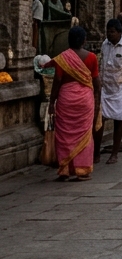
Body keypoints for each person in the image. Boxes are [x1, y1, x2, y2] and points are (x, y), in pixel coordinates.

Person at [47, 25, 100, 180]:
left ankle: (65, 169)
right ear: (84, 41)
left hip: (66, 100)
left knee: (64, 135)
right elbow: (97, 83)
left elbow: (57, 81)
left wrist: (51, 102)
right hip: (85, 101)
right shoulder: (92, 58)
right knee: (84, 134)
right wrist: (97, 102)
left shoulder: (62, 58)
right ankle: (82, 170)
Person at [95, 17, 122, 165]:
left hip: (120, 88)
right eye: (108, 32)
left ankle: (114, 153)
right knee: (100, 120)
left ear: (119, 32)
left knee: (118, 120)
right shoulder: (105, 44)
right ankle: (96, 153)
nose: (110, 34)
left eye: (112, 32)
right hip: (105, 87)